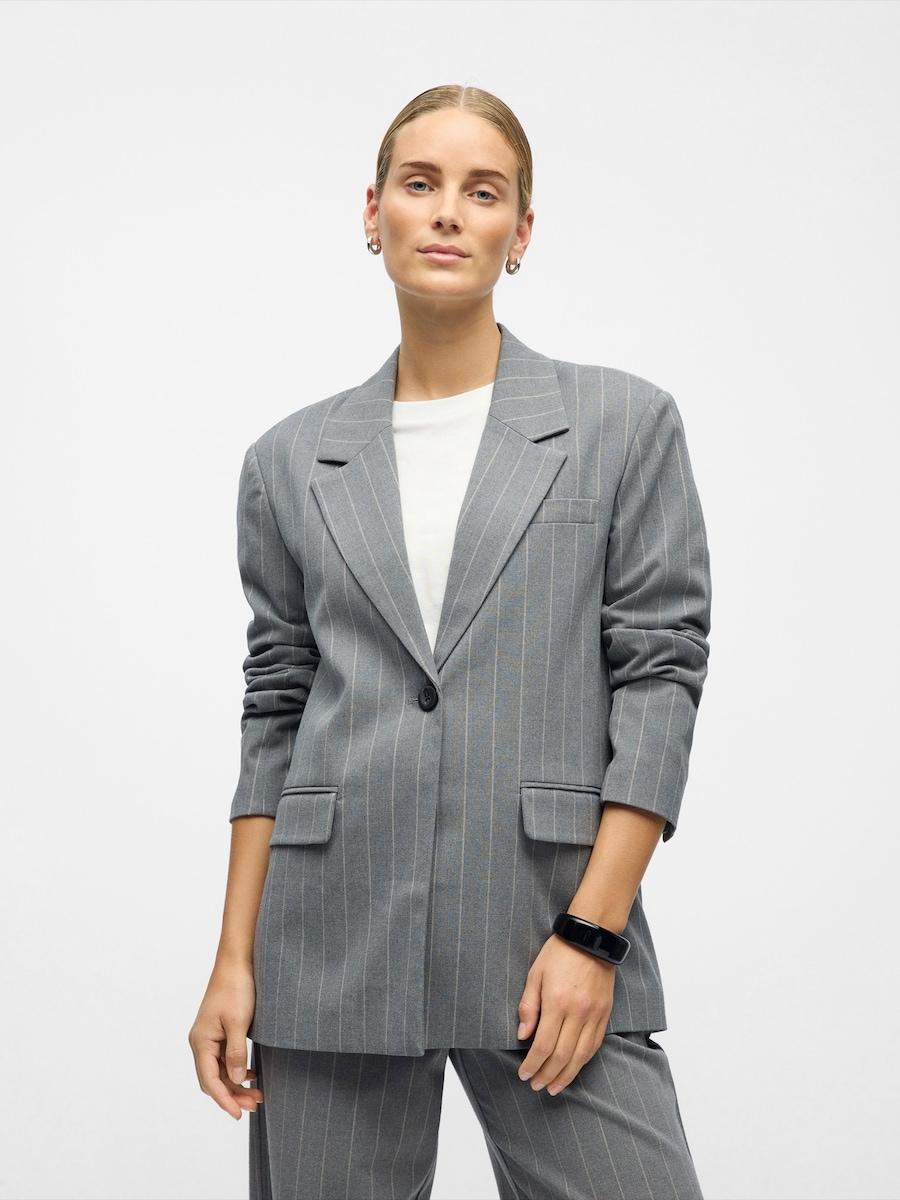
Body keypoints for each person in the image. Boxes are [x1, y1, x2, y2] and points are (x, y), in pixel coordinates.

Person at [189, 83, 712, 1200]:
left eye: (483, 192)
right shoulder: (288, 460)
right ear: (371, 210)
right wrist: (234, 960)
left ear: (520, 231)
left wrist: (594, 934)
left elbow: (660, 676)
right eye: (420, 184)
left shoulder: (623, 426)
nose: (445, 212)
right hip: (327, 944)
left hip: (545, 922)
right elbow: (275, 708)